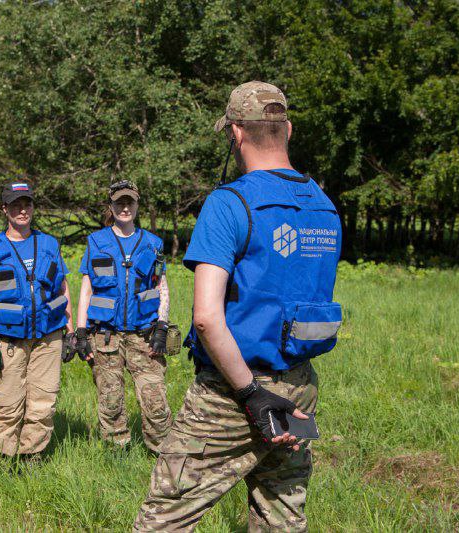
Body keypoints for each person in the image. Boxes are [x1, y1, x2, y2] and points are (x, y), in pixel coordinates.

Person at [134, 81, 343, 531]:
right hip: (300, 385)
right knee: (281, 515)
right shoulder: (324, 208)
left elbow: (207, 319)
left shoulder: (230, 204)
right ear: (286, 128)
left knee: (163, 519)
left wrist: (252, 395)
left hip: (234, 392)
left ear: (236, 134)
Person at [0, 182, 74, 459]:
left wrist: (70, 330)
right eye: (15, 205)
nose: (22, 210)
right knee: (7, 403)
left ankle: (33, 456)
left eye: (27, 204)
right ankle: (1, 458)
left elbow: (62, 287)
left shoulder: (49, 243)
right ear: (5, 209)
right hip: (9, 339)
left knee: (43, 401)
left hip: (48, 336)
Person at [74, 180, 172, 453]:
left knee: (155, 399)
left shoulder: (153, 243)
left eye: (130, 202)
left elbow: (161, 286)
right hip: (106, 337)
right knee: (110, 399)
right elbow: (87, 289)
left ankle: (161, 452)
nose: (125, 208)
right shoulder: (96, 242)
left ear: (138, 205)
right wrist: (81, 333)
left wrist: (162, 326)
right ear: (111, 206)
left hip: (145, 335)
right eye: (119, 203)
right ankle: (117, 451)